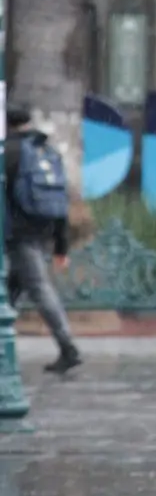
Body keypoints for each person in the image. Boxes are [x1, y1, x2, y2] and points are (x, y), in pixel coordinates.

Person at [4, 107, 81, 375]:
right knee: (13, 288)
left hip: (17, 232)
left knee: (38, 287)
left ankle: (68, 347)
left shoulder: (8, 152)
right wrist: (61, 245)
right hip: (43, 228)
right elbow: (60, 200)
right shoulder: (46, 151)